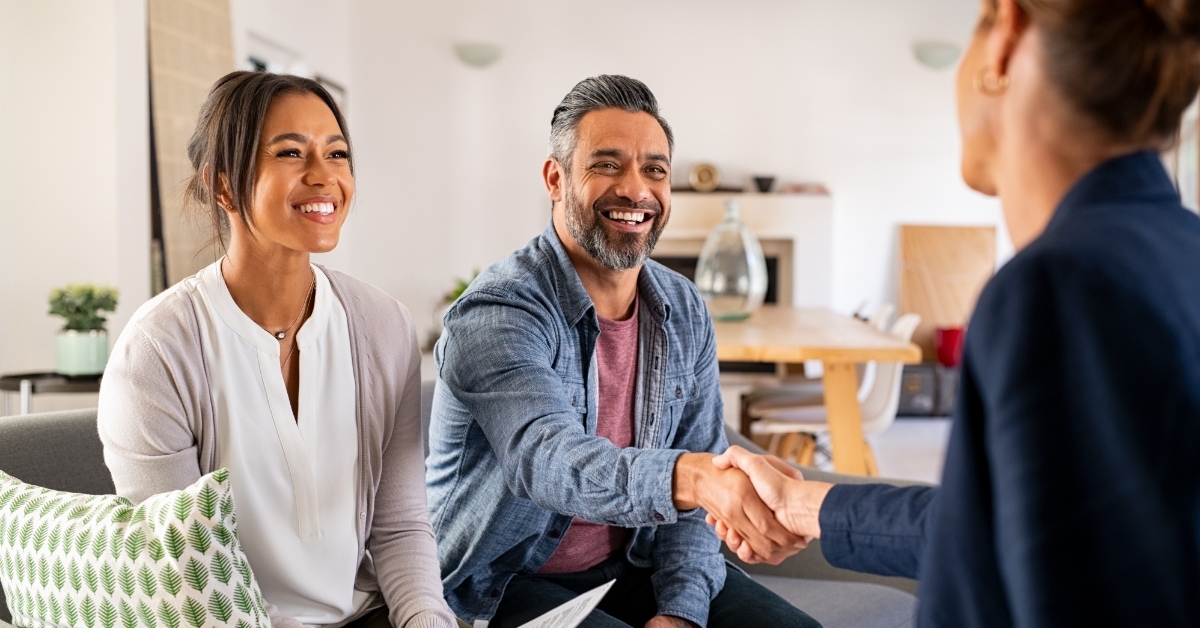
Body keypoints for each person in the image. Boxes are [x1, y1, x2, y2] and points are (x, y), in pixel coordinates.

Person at [707, 0, 1200, 626]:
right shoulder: (1181, 251)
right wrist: (804, 504)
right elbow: (1009, 528)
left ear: (1005, 37)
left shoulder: (1061, 287)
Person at [425, 75, 817, 628]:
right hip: (500, 583)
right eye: (607, 165)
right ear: (555, 178)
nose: (635, 190)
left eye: (654, 170)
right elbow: (550, 461)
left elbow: (692, 491)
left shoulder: (681, 307)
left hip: (632, 565)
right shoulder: (498, 313)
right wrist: (695, 477)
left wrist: (679, 612)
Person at [97, 72, 460, 628]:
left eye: (337, 154)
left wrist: (425, 621)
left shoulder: (383, 326)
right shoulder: (157, 350)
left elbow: (401, 524)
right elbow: (181, 573)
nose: (325, 177)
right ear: (223, 185)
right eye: (291, 152)